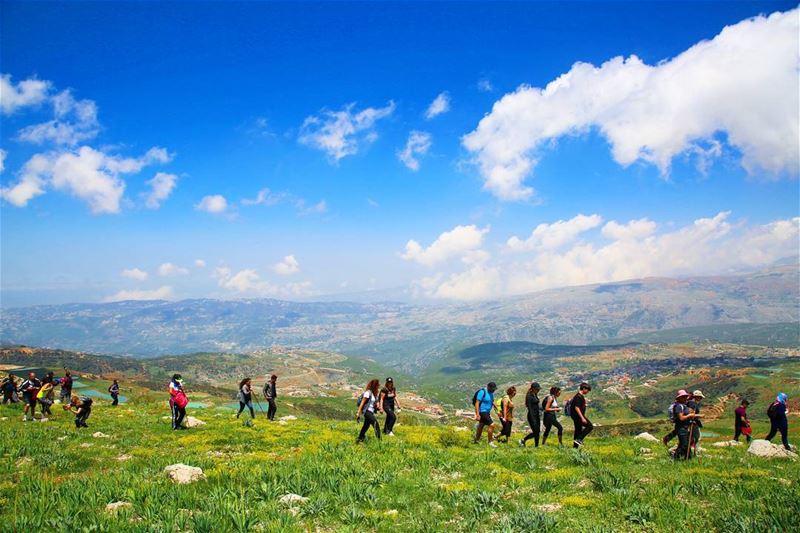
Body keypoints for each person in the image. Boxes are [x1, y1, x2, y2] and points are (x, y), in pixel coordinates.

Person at [672, 389, 702, 460]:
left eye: (685, 396)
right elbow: (681, 418)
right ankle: (675, 458)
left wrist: (692, 414)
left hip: (685, 427)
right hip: (681, 428)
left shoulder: (683, 406)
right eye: (683, 397)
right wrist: (690, 415)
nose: (685, 398)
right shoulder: (679, 406)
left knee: (687, 444)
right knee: (684, 445)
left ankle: (688, 458)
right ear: (679, 398)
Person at [473, 382, 498, 448]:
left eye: (494, 389)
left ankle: (476, 440)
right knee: (492, 425)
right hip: (482, 411)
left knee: (481, 426)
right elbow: (477, 403)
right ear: (488, 387)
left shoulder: (491, 393)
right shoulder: (482, 392)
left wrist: (496, 407)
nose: (493, 390)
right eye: (492, 389)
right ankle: (490, 442)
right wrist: (477, 414)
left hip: (487, 411)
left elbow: (492, 401)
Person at [570, 382, 593, 448]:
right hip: (578, 416)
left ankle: (575, 447)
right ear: (583, 388)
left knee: (578, 430)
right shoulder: (578, 397)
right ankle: (579, 439)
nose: (588, 392)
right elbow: (576, 408)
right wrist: (582, 418)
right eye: (587, 390)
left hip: (576, 416)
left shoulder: (579, 396)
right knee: (590, 426)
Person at [520, 382, 541, 447]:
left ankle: (536, 446)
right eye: (537, 389)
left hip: (537, 415)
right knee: (535, 432)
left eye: (538, 389)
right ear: (533, 388)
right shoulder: (529, 396)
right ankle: (523, 440)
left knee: (538, 432)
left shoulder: (535, 394)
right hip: (532, 416)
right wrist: (533, 419)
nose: (538, 390)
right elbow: (530, 408)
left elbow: (536, 405)